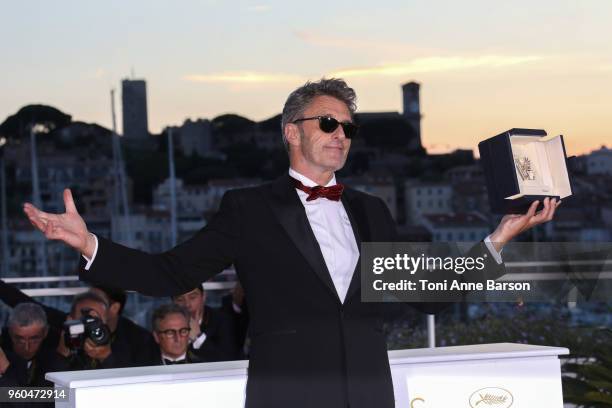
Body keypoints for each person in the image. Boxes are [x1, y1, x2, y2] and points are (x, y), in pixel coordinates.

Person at [23, 78, 560, 408]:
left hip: (370, 393)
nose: (340, 134)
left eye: (348, 127)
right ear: (291, 131)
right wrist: (90, 242)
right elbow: (170, 273)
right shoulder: (249, 208)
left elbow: (429, 295)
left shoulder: (371, 209)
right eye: (328, 122)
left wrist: (498, 238)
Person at [0, 278, 157, 368]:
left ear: (113, 308)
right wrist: (61, 354)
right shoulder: (65, 331)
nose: (87, 319)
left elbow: (134, 387)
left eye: (93, 313)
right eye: (83, 314)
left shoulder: (138, 339)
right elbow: (43, 396)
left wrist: (107, 357)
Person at [172, 286, 239, 362]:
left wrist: (198, 338)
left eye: (192, 297)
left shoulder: (222, 320)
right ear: (173, 303)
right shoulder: (165, 324)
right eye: (180, 300)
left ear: (203, 297)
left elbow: (229, 360)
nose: (187, 304)